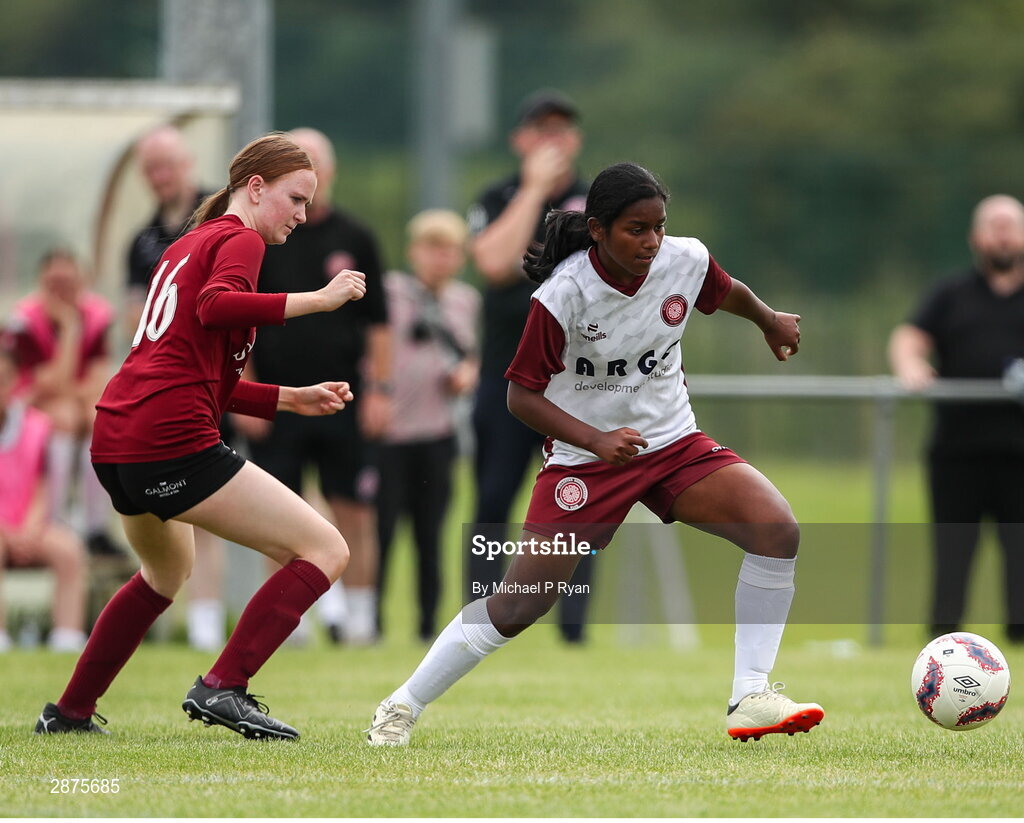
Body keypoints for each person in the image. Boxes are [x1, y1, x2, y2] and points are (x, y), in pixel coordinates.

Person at [367, 162, 824, 746]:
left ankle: (750, 696)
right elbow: (520, 395)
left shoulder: (683, 259)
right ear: (599, 230)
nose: (652, 241)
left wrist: (769, 320)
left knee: (777, 530)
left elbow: (723, 288)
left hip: (672, 443)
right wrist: (595, 440)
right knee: (518, 605)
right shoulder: (564, 294)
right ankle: (401, 706)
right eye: (637, 229)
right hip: (585, 463)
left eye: (658, 226)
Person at [35, 132, 367, 739]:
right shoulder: (238, 237)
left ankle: (69, 713)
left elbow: (190, 368)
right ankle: (224, 686)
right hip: (169, 440)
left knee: (164, 576)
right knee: (326, 550)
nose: (302, 214)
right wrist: (317, 300)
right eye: (294, 199)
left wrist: (287, 398)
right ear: (256, 187)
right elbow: (218, 308)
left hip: (118, 438)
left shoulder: (189, 243)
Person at [244, 127, 391, 646]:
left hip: (342, 396)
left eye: (317, 168)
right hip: (278, 397)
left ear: (327, 173)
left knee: (353, 505)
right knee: (275, 508)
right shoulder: (257, 240)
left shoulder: (356, 236)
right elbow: (237, 316)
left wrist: (381, 389)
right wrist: (244, 387)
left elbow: (379, 322)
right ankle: (289, 621)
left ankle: (359, 616)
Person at [465, 89, 594, 643]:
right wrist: (536, 191)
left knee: (581, 500)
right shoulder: (497, 196)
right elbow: (495, 263)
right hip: (506, 376)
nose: (554, 140)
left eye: (563, 129)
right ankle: (474, 620)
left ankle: (572, 631)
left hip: (577, 379)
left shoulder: (597, 200)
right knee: (493, 497)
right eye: (542, 129)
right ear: (520, 140)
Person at [889, 194, 1024, 644]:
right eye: (993, 225)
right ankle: (944, 649)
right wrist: (910, 366)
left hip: (1019, 453)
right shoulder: (951, 293)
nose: (1002, 233)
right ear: (976, 237)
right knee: (953, 556)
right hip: (957, 452)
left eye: (1011, 224)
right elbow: (909, 337)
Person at [127, 125, 226, 651]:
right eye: (151, 169)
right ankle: (182, 613)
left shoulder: (217, 221)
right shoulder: (142, 241)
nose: (160, 178)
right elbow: (133, 319)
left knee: (215, 500)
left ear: (186, 163)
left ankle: (209, 619)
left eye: (167, 165)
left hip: (210, 385)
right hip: (161, 392)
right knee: (173, 510)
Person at [376, 209, 480, 641]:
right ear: (414, 251)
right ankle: (371, 624)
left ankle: (426, 629)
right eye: (433, 248)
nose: (441, 259)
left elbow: (471, 355)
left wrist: (467, 375)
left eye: (450, 250)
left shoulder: (465, 301)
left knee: (431, 537)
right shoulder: (389, 294)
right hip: (389, 435)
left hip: (438, 435)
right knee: (380, 534)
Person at [7, 249, 118, 557]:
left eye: (68, 282)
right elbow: (43, 385)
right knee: (63, 419)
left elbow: (97, 382)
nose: (62, 291)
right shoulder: (25, 321)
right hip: (26, 414)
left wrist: (74, 399)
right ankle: (51, 520)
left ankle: (94, 527)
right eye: (55, 283)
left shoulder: (96, 317)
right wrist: (70, 328)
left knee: (98, 421)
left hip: (69, 405)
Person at [0, 340, 88, 653]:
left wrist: (30, 530)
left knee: (69, 550)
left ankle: (67, 638)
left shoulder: (36, 426)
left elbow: (41, 485)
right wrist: (8, 535)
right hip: (3, 532)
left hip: (30, 527)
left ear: (15, 381)